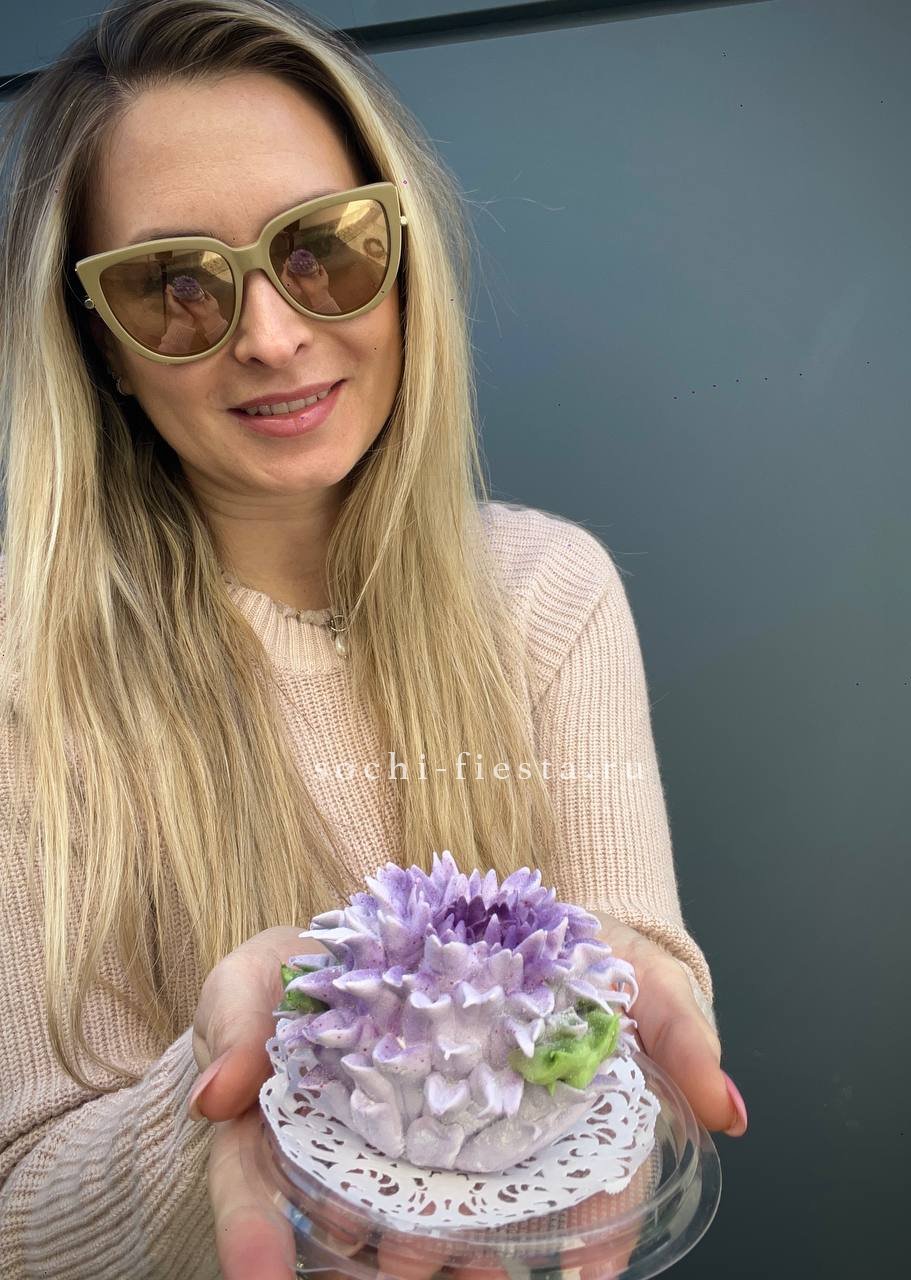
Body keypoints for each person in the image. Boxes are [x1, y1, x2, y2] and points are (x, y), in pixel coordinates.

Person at [0, 0, 747, 1276]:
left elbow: (640, 1036)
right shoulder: (24, 678)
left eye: (322, 249)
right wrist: (226, 1100)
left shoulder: (547, 594)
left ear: (400, 258)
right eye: (173, 285)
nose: (270, 335)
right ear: (103, 349)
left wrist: (622, 1014)